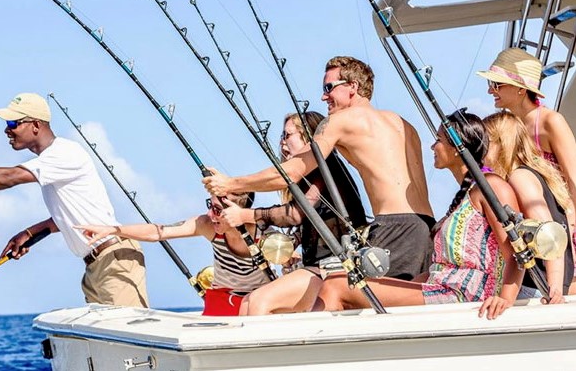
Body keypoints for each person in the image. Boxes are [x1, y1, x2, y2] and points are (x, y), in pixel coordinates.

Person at [203, 56, 435, 281]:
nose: (323, 97)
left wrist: (230, 184)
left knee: (340, 297)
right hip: (427, 228)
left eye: (328, 88)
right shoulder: (403, 124)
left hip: (394, 227)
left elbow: (290, 173)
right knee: (408, 302)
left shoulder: (341, 121)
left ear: (353, 86)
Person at [0, 92, 148, 307]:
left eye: (13, 123)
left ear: (35, 124)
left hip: (114, 262)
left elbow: (7, 178)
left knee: (130, 338)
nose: (7, 130)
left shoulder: (64, 153)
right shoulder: (52, 161)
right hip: (96, 266)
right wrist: (30, 233)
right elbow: (74, 217)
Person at [312, 112, 523, 320]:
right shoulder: (464, 197)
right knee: (342, 280)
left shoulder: (491, 186)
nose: (433, 146)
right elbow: (439, 270)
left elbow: (517, 249)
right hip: (442, 288)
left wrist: (506, 298)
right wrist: (398, 288)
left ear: (456, 148)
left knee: (336, 286)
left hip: (464, 295)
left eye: (438, 140)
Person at [218, 111, 367, 315]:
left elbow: (295, 214)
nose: (282, 142)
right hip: (319, 267)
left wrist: (245, 215)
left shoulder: (325, 168)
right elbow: (316, 219)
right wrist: (292, 243)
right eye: (282, 136)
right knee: (247, 303)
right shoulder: (312, 175)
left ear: (308, 138)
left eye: (287, 135)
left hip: (337, 269)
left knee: (259, 301)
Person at [476, 47, 576, 292]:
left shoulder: (550, 121)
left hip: (561, 222)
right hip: (530, 230)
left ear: (521, 89)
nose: (490, 90)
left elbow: (573, 179)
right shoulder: (507, 125)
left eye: (497, 84)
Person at [76, 192, 270, 316]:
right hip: (220, 301)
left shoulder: (265, 237)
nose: (211, 215)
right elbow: (158, 232)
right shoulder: (207, 225)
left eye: (217, 210)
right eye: (209, 206)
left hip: (256, 305)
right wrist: (114, 230)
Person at [479, 111, 571, 315]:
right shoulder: (534, 175)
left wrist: (554, 289)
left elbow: (550, 234)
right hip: (541, 285)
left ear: (501, 143)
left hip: (536, 288)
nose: (480, 149)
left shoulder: (519, 177)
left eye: (485, 142)